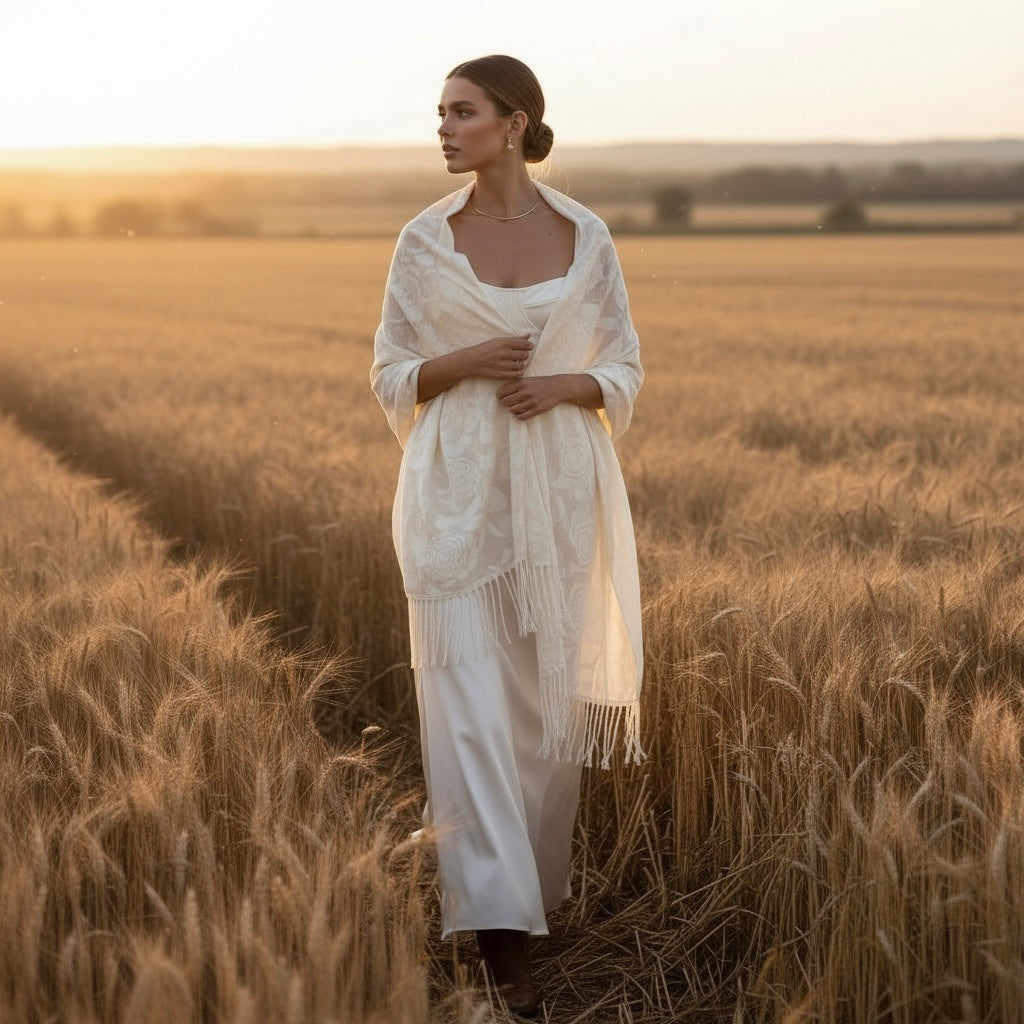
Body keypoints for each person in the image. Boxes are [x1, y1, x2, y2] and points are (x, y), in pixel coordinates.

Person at [371, 54, 644, 1017]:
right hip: (453, 505)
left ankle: (516, 899)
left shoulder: (585, 234)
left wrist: (571, 384)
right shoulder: (424, 241)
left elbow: (625, 365)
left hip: (558, 504)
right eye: (441, 113)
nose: (444, 129)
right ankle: (502, 942)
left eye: (462, 112)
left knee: (537, 728)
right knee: (470, 723)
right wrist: (465, 361)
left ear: (515, 123)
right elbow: (390, 372)